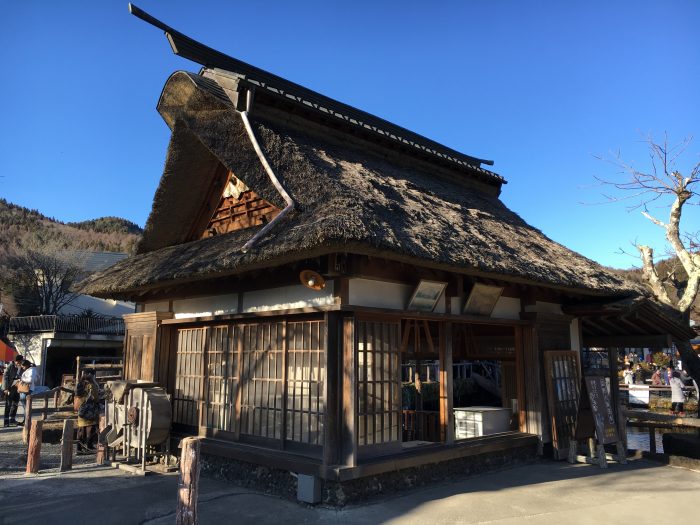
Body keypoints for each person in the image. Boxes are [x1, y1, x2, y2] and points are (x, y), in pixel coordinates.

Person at [74, 369, 100, 453]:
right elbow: (95, 397)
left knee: (81, 429)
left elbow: (77, 395)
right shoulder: (91, 385)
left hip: (81, 408)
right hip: (90, 409)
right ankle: (88, 446)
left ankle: (79, 448)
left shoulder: (80, 383)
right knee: (91, 428)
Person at [2, 354, 23, 426]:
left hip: (17, 387)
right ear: (15, 361)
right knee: (8, 404)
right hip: (9, 388)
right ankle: (6, 422)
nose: (19, 363)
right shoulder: (10, 366)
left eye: (20, 362)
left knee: (15, 403)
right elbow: (5, 377)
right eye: (17, 362)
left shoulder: (22, 366)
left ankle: (12, 419)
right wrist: (5, 389)